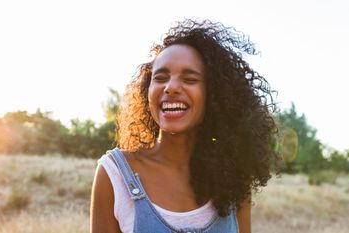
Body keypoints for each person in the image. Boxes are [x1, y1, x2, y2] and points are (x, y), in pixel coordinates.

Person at [90, 18, 277, 233]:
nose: (170, 87)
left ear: (214, 94)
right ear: (147, 90)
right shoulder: (114, 174)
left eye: (189, 79)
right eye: (160, 78)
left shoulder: (235, 177)